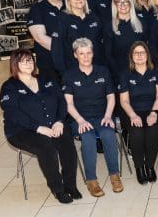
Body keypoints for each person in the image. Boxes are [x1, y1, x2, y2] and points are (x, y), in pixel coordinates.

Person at [0, 49, 80, 204]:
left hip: (53, 125)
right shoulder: (9, 87)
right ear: (15, 64)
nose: (28, 63)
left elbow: (62, 102)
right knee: (46, 147)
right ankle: (58, 189)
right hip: (22, 131)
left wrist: (59, 121)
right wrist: (38, 128)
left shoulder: (46, 79)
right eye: (23, 61)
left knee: (67, 143)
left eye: (30, 60)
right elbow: (13, 113)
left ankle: (70, 185)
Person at [62, 38, 122, 197]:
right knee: (88, 137)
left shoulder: (103, 71)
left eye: (88, 53)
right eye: (81, 54)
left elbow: (111, 96)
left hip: (102, 116)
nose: (86, 57)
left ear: (93, 53)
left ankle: (115, 175)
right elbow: (68, 103)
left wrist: (108, 115)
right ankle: (91, 181)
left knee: (108, 134)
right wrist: (80, 120)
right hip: (79, 118)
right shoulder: (69, 75)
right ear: (75, 55)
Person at [118, 41, 158, 183]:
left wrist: (154, 112)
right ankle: (139, 167)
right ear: (131, 56)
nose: (139, 55)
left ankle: (150, 166)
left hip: (154, 109)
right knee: (137, 132)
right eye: (136, 53)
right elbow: (124, 101)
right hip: (132, 111)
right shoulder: (125, 74)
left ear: (147, 55)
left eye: (142, 52)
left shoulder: (157, 71)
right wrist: (133, 115)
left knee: (152, 131)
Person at [52, 0, 105, 74]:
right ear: (68, 1)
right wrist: (63, 72)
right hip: (73, 70)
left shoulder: (94, 17)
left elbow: (101, 44)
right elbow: (57, 48)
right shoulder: (63, 19)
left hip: (96, 69)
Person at [28, 0, 65, 82]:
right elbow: (39, 37)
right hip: (49, 64)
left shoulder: (71, 5)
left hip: (72, 61)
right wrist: (66, 50)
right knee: (53, 96)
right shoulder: (37, 9)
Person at [104, 0, 146, 82]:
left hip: (142, 74)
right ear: (114, 4)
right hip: (120, 75)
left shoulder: (141, 23)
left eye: (126, 2)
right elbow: (108, 55)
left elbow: (148, 50)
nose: (123, 5)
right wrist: (119, 75)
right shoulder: (109, 26)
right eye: (119, 2)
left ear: (130, 4)